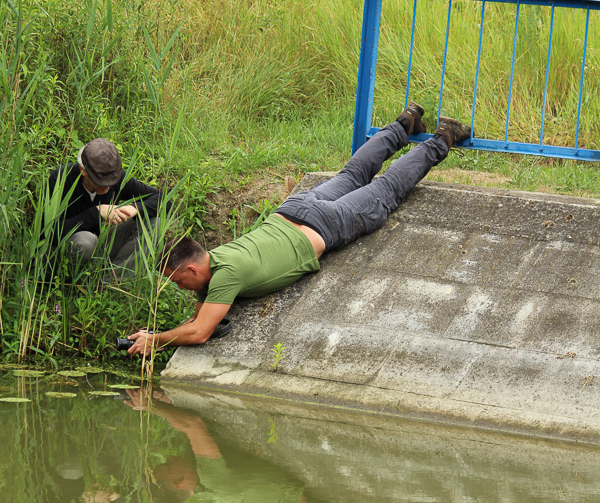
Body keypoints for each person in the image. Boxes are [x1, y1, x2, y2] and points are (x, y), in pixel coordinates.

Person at [126, 106, 470, 354]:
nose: (180, 287)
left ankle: (444, 137)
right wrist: (155, 333)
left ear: (191, 268)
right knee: (352, 174)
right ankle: (405, 122)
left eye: (177, 280)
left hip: (324, 223)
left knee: (387, 189)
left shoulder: (224, 276)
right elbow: (197, 320)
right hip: (294, 208)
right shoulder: (218, 260)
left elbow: (200, 332)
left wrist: (155, 340)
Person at [47, 138, 166, 283]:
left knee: (154, 220)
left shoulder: (118, 179)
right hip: (69, 251)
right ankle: (71, 285)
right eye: (101, 180)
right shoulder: (61, 178)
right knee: (87, 241)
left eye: (112, 180)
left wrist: (134, 208)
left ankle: (110, 283)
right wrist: (95, 213)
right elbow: (48, 233)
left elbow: (165, 201)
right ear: (82, 170)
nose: (108, 186)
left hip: (102, 245)